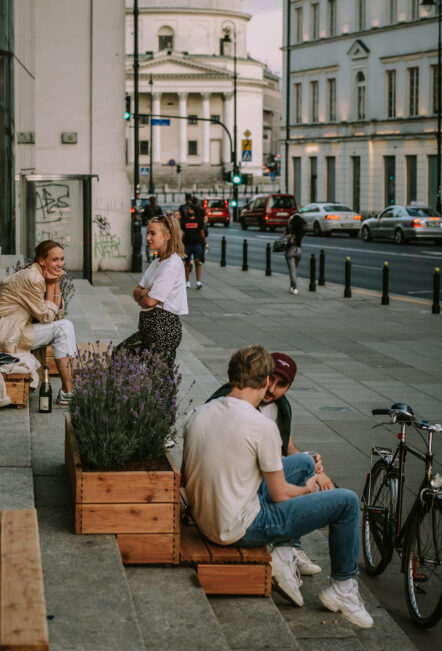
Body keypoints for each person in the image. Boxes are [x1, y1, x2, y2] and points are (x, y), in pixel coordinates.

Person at [183, 345, 372, 628]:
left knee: (304, 461)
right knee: (345, 501)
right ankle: (343, 588)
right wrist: (309, 490)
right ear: (263, 381)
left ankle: (284, 555)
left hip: (205, 518)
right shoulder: (261, 426)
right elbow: (280, 494)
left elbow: (187, 480)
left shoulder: (199, 413)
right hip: (238, 528)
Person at [207, 350, 334, 578]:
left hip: (260, 474)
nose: (273, 389)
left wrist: (315, 465)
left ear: (288, 388)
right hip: (240, 483)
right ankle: (288, 549)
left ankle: (290, 549)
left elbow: (288, 446)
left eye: (281, 385)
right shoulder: (235, 400)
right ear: (263, 376)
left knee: (305, 462)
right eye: (271, 381)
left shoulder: (280, 407)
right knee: (341, 500)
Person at [0, 239, 77, 405]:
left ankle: (69, 389)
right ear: (41, 260)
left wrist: (55, 283)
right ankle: (68, 391)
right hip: (2, 331)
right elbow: (46, 317)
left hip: (13, 328)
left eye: (61, 259)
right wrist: (52, 284)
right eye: (54, 260)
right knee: (64, 328)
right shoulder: (32, 278)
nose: (60, 264)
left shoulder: (41, 274)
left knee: (64, 326)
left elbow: (57, 314)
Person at [116, 213, 188, 369]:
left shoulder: (172, 264)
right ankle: (126, 392)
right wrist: (145, 293)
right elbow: (136, 291)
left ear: (167, 236)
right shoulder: (157, 263)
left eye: (152, 233)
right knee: (120, 355)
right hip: (149, 328)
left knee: (158, 379)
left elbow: (149, 301)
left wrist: (145, 295)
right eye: (147, 232)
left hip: (163, 328)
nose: (147, 237)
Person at [181, 202, 206, 290]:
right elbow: (182, 233)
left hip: (197, 244)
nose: (189, 210)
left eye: (191, 209)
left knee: (197, 262)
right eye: (188, 209)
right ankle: (187, 282)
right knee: (187, 263)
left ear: (194, 211)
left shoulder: (198, 221)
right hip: (187, 244)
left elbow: (202, 233)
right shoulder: (184, 221)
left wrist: (205, 243)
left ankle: (198, 281)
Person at [283, 212, 306, 294]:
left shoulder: (289, 228)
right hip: (299, 251)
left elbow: (284, 238)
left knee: (292, 270)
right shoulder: (301, 230)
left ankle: (295, 288)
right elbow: (303, 236)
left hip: (290, 250)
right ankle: (292, 285)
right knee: (294, 269)